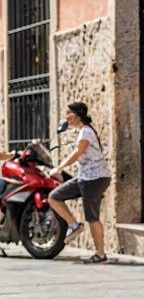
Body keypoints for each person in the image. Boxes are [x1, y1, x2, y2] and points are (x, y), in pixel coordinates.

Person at [48, 102, 112, 264]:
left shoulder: (86, 132)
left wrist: (59, 167)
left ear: (76, 115)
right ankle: (73, 224)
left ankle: (100, 254)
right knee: (55, 196)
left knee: (92, 216)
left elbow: (78, 152)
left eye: (68, 113)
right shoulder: (84, 132)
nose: (66, 117)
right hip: (86, 177)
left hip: (94, 178)